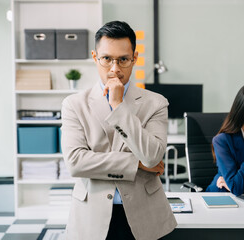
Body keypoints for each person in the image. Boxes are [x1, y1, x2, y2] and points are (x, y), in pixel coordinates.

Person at [61, 21, 177, 240]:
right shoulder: (74, 104)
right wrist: (135, 163)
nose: (115, 69)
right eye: (107, 59)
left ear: (134, 58)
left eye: (123, 59)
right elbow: (75, 162)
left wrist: (118, 107)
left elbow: (152, 157)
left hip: (146, 215)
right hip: (91, 217)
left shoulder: (156, 103)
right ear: (95, 57)